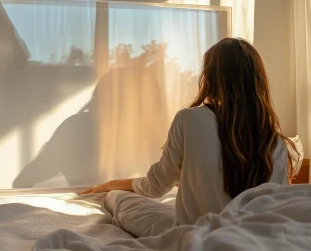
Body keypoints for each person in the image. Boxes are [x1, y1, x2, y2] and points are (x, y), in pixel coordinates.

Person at [81, 37, 300, 226]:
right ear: (258, 81)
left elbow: (154, 187)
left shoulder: (190, 119)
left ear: (210, 77)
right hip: (252, 235)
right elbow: (275, 204)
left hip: (194, 234)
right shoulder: (272, 137)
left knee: (119, 199)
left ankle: (112, 194)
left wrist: (113, 185)